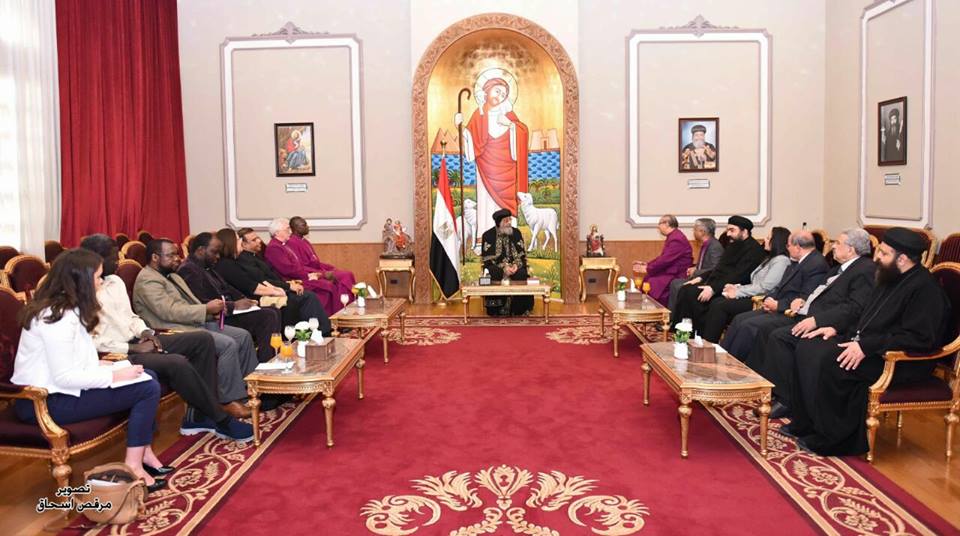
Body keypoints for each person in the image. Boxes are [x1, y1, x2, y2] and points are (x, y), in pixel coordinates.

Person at [780, 228, 950, 455]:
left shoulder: (925, 289)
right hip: (871, 346)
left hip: (902, 360)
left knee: (832, 362)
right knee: (808, 347)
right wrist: (835, 329)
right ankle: (806, 422)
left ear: (902, 259)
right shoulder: (890, 277)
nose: (876, 257)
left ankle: (836, 439)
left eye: (884, 253)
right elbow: (866, 316)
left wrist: (864, 346)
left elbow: (918, 338)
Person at [12, 249, 167, 492]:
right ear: (81, 281)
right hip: (44, 402)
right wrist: (114, 375)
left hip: (61, 391)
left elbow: (74, 361)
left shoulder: (68, 309)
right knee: (146, 388)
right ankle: (134, 466)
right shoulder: (56, 317)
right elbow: (65, 376)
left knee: (149, 376)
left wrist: (108, 366)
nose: (101, 282)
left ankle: (143, 451)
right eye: (97, 277)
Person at [80, 235, 253, 441]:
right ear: (95, 259)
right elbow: (92, 340)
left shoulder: (115, 281)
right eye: (112, 256)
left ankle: (198, 416)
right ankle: (220, 418)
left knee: (202, 340)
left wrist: (145, 332)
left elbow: (131, 317)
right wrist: (133, 348)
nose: (118, 259)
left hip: (140, 338)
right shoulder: (82, 292)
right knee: (177, 362)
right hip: (117, 353)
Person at [748, 228, 876, 419]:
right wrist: (804, 300)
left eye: (838, 243)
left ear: (851, 250)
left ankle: (786, 400)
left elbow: (853, 308)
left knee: (780, 337)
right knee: (769, 332)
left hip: (830, 326)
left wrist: (817, 321)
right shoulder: (841, 267)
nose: (833, 246)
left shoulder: (864, 270)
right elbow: (821, 291)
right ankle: (771, 391)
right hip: (809, 315)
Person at [133, 239, 258, 416]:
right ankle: (227, 401)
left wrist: (210, 313)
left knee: (243, 336)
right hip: (173, 330)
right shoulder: (148, 280)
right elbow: (170, 312)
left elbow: (190, 304)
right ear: (155, 257)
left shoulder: (172, 276)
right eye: (171, 255)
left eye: (177, 254)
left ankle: (248, 391)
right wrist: (206, 309)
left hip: (193, 322)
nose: (177, 258)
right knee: (227, 344)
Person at [715, 230, 829, 351]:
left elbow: (805, 298)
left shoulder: (816, 264)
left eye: (788, 245)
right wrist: (769, 299)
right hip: (778, 307)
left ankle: (732, 360)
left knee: (748, 325)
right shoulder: (799, 261)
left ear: (798, 247)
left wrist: (778, 305)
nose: (787, 248)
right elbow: (781, 286)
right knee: (739, 319)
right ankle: (722, 354)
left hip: (791, 314)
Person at [178, 233, 282, 362]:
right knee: (268, 316)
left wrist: (244, 300)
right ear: (201, 250)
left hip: (228, 311)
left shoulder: (206, 266)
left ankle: (271, 358)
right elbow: (200, 302)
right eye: (214, 252)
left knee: (274, 310)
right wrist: (235, 305)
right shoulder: (188, 270)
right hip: (216, 318)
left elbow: (226, 288)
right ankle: (267, 363)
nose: (217, 256)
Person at [215, 227, 331, 334]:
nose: (259, 241)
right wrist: (281, 289)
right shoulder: (231, 263)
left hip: (266, 291)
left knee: (304, 295)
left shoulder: (247, 257)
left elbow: (263, 279)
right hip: (254, 298)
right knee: (304, 297)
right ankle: (316, 333)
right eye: (237, 240)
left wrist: (284, 286)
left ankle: (316, 332)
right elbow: (254, 284)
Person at [455, 76, 530, 228]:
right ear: (487, 90)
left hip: (508, 171)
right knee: (486, 202)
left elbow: (523, 132)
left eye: (503, 94)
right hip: (485, 169)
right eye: (497, 91)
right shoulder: (479, 114)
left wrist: (511, 125)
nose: (499, 96)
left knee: (506, 208)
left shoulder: (508, 114)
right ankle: (485, 235)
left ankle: (509, 237)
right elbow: (471, 141)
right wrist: (460, 127)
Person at [697, 227, 794, 342]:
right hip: (751, 295)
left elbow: (765, 287)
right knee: (716, 301)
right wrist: (736, 287)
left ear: (777, 241)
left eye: (768, 238)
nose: (765, 240)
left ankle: (709, 343)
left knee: (720, 306)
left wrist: (737, 292)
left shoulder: (781, 261)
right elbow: (755, 283)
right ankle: (706, 341)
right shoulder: (770, 258)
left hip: (759, 300)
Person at [670, 215, 766, 330]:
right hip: (717, 283)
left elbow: (739, 276)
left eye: (732, 230)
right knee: (685, 288)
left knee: (692, 293)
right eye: (728, 230)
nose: (728, 234)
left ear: (744, 231)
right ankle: (682, 330)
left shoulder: (754, 250)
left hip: (731, 287)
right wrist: (701, 278)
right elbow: (719, 268)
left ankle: (698, 333)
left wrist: (713, 289)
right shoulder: (734, 245)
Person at [265, 217, 356, 315]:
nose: (290, 232)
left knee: (330, 282)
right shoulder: (274, 247)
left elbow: (299, 265)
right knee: (327, 286)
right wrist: (309, 275)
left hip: (300, 275)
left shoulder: (282, 245)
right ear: (277, 233)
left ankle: (340, 313)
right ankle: (329, 317)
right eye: (287, 229)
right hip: (292, 280)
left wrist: (317, 273)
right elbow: (288, 270)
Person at [480, 208, 534, 316]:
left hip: (514, 266)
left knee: (521, 273)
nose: (509, 222)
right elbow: (488, 259)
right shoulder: (488, 235)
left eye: (510, 219)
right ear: (498, 223)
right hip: (496, 267)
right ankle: (496, 309)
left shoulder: (516, 233)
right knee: (494, 272)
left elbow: (521, 255)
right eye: (506, 220)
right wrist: (504, 268)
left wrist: (516, 265)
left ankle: (519, 309)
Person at [631, 215, 692, 305]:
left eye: (659, 223)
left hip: (677, 274)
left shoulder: (677, 238)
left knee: (653, 283)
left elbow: (665, 260)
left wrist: (648, 268)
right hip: (670, 270)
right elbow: (663, 258)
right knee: (648, 279)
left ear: (666, 224)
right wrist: (647, 265)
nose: (658, 227)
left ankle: (658, 311)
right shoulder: (673, 236)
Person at [667, 218, 723, 311]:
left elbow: (715, 269)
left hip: (707, 281)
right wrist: (695, 267)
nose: (693, 232)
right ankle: (672, 315)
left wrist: (696, 272)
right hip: (700, 277)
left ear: (702, 232)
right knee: (675, 282)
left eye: (695, 229)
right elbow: (704, 263)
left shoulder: (715, 246)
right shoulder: (706, 244)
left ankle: (677, 315)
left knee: (678, 286)